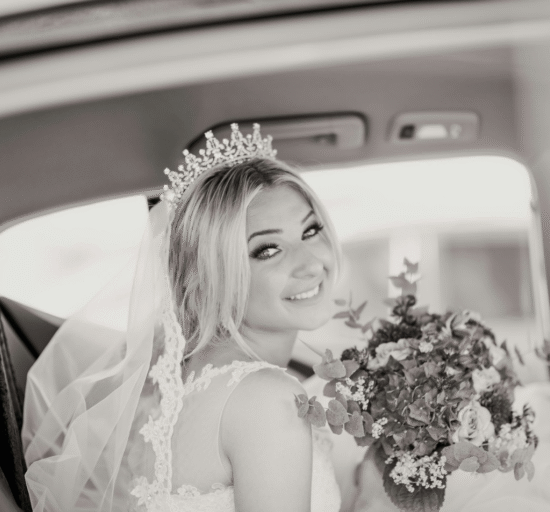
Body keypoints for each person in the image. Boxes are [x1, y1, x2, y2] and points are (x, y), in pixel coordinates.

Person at [22, 124, 345, 511]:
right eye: (267, 250)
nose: (310, 264)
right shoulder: (267, 398)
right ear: (214, 275)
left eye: (311, 230)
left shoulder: (173, 382)